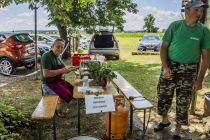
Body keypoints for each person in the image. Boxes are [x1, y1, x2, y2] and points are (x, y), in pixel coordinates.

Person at [154, 0, 210, 140]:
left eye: (202, 10)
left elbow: (206, 57)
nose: (200, 13)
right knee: (163, 96)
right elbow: (164, 48)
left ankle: (177, 130)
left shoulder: (203, 30)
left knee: (183, 101)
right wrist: (165, 67)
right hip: (170, 67)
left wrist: (199, 79)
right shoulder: (175, 26)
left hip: (189, 70)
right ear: (187, 10)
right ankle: (165, 121)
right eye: (197, 10)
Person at [40, 38, 75, 117]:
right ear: (53, 46)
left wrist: (69, 69)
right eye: (57, 46)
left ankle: (62, 103)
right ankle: (57, 110)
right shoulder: (46, 56)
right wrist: (62, 70)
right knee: (65, 95)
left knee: (73, 90)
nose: (60, 49)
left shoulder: (58, 56)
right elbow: (46, 74)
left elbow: (61, 69)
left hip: (59, 82)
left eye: (62, 47)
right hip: (49, 84)